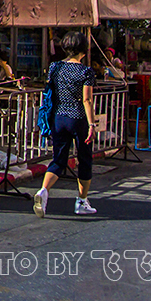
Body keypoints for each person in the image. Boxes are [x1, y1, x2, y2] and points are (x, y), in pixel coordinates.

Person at [34, 31, 97, 218]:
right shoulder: (86, 71)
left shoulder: (55, 67)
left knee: (58, 160)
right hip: (78, 118)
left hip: (58, 118)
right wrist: (92, 124)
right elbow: (87, 100)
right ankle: (82, 201)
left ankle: (44, 190)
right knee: (84, 159)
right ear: (84, 50)